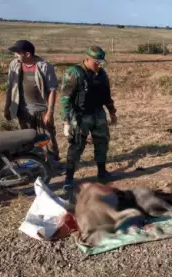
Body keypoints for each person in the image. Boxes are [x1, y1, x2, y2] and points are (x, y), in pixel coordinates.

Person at [60, 46, 118, 197]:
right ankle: (69, 179)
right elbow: (65, 99)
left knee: (102, 142)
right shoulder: (74, 73)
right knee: (77, 146)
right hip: (80, 115)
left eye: (101, 62)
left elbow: (106, 95)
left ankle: (102, 172)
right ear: (87, 59)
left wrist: (112, 112)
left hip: (98, 113)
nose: (99, 65)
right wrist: (66, 121)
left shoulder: (101, 74)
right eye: (96, 62)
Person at [4, 40, 61, 168]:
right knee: (28, 140)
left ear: (28, 54)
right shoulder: (14, 65)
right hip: (22, 110)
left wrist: (50, 112)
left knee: (47, 139)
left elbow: (52, 90)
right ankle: (35, 164)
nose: (15, 56)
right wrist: (7, 107)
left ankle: (53, 165)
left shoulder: (44, 66)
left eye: (18, 53)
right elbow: (10, 87)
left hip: (41, 110)